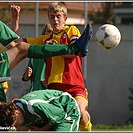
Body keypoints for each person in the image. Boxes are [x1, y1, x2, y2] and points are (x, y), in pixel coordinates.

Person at [11, 3, 92, 131]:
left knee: (80, 114)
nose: (55, 20)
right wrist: (15, 19)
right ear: (48, 18)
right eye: (52, 16)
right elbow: (17, 44)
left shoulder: (71, 30)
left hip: (74, 85)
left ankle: (87, 127)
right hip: (54, 89)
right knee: (52, 123)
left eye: (58, 16)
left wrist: (51, 49)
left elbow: (74, 53)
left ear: (65, 18)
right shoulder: (44, 39)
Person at [0, 19, 92, 84]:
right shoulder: (35, 55)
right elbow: (16, 44)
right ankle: (74, 48)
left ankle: (74, 48)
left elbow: (15, 44)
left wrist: (15, 18)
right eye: (48, 32)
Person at [0, 89, 80, 131]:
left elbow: (60, 114)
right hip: (51, 117)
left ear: (17, 112)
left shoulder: (33, 106)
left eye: (16, 124)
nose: (16, 127)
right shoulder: (16, 108)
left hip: (67, 110)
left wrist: (43, 129)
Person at [22, 24, 53, 92]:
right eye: (49, 31)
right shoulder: (36, 54)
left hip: (52, 93)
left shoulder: (61, 55)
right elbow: (26, 77)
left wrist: (50, 80)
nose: (51, 35)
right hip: (36, 93)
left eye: (53, 33)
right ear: (43, 34)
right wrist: (27, 75)